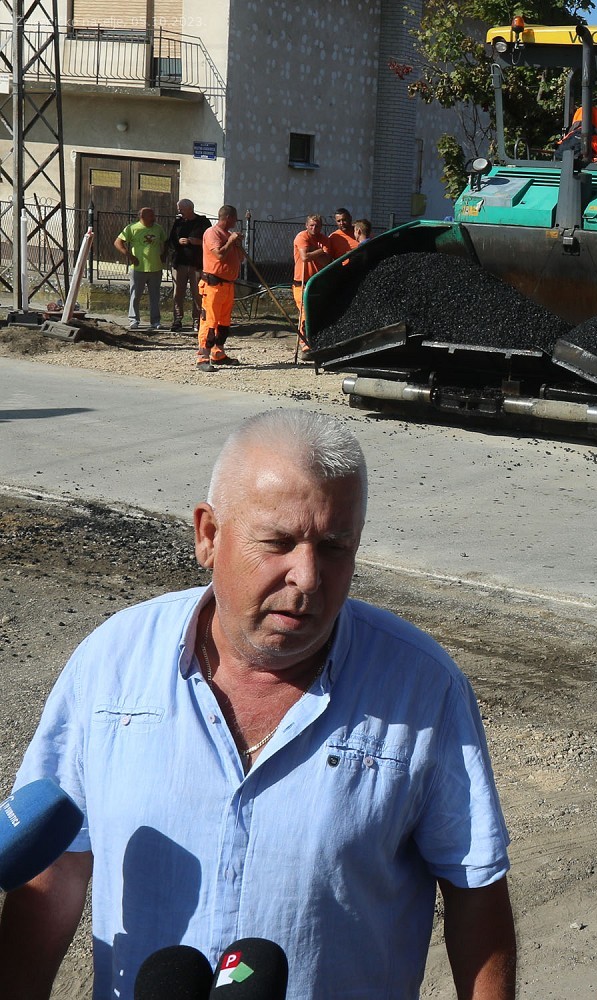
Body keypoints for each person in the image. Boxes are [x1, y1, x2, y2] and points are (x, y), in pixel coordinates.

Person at [0, 409, 517, 1000]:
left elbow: (476, 893)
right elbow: (52, 868)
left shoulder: (422, 688)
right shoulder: (113, 661)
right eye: (278, 542)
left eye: (335, 546)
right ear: (208, 535)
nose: (308, 577)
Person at [196, 205, 245, 371]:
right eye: (235, 217)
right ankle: (203, 358)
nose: (236, 221)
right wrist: (230, 242)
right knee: (209, 322)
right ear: (228, 217)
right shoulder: (212, 233)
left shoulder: (229, 235)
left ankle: (218, 354)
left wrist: (237, 244)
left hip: (228, 285)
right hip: (213, 285)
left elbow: (241, 258)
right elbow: (219, 255)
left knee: (223, 323)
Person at [113, 206, 168, 330]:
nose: (154, 218)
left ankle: (155, 321)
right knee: (135, 295)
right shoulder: (132, 228)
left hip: (155, 267)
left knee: (155, 297)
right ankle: (133, 320)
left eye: (153, 215)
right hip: (138, 268)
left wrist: (163, 255)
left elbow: (165, 241)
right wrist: (130, 256)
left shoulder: (158, 228)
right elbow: (118, 242)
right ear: (142, 217)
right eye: (151, 216)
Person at [165, 199, 211, 333]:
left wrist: (197, 242)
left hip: (197, 264)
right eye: (178, 209)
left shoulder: (203, 222)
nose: (179, 211)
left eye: (181, 209)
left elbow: (210, 241)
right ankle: (177, 319)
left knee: (197, 293)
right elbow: (171, 241)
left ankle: (197, 320)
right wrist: (178, 241)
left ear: (190, 209)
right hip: (180, 262)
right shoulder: (178, 222)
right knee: (178, 293)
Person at [292, 214, 335, 343]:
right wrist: (320, 251)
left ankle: (315, 340)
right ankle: (304, 342)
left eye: (317, 226)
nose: (314, 228)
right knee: (305, 312)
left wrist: (313, 250)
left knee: (316, 312)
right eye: (311, 225)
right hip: (301, 282)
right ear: (306, 225)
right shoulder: (302, 237)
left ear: (321, 226)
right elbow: (305, 257)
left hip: (317, 281)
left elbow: (326, 261)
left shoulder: (325, 239)